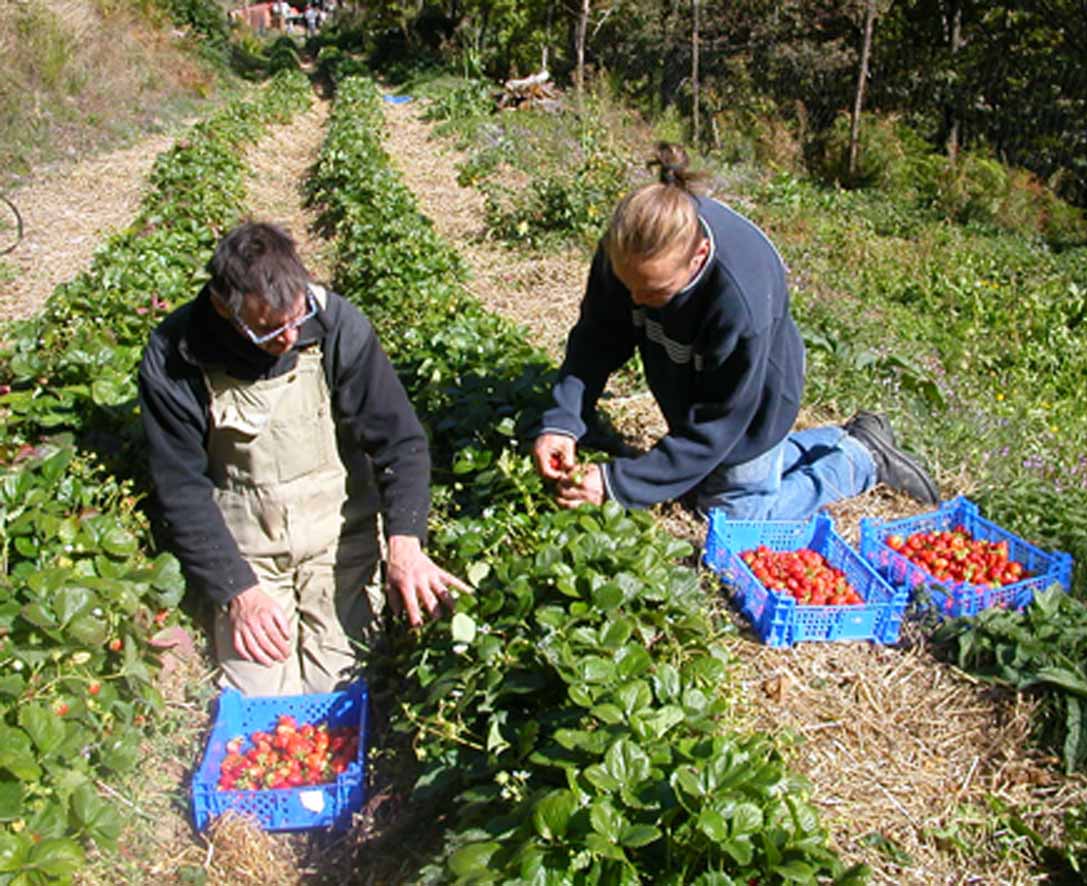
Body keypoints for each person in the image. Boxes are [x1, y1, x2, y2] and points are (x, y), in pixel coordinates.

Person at [139, 222, 468, 696]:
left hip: (337, 541)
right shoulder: (178, 355)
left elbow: (400, 441)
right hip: (248, 552)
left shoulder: (336, 324)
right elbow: (181, 487)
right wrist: (238, 593)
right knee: (262, 697)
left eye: (298, 318)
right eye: (270, 329)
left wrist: (405, 544)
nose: (290, 337)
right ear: (222, 307)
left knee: (341, 689)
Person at [532, 143, 938, 521]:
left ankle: (860, 458)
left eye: (653, 291)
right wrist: (563, 422)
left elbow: (721, 421)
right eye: (627, 285)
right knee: (696, 479)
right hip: (687, 378)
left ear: (699, 257)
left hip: (754, 400)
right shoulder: (629, 249)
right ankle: (835, 440)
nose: (634, 300)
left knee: (733, 517)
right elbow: (595, 338)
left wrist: (618, 484)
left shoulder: (739, 296)